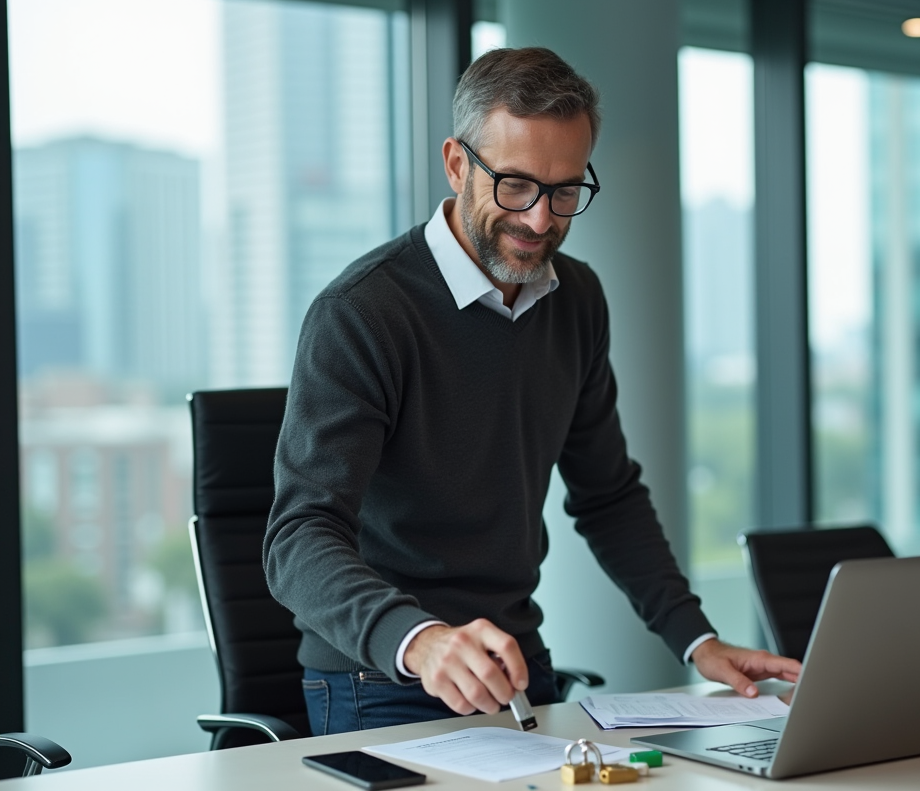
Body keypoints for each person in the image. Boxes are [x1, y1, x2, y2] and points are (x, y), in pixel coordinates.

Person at [264, 46, 800, 735]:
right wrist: (420, 640)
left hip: (519, 667)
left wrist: (697, 641)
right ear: (458, 164)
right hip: (381, 677)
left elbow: (608, 496)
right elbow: (298, 535)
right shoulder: (363, 313)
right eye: (515, 185)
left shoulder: (576, 299)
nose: (541, 221)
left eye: (565, 191)